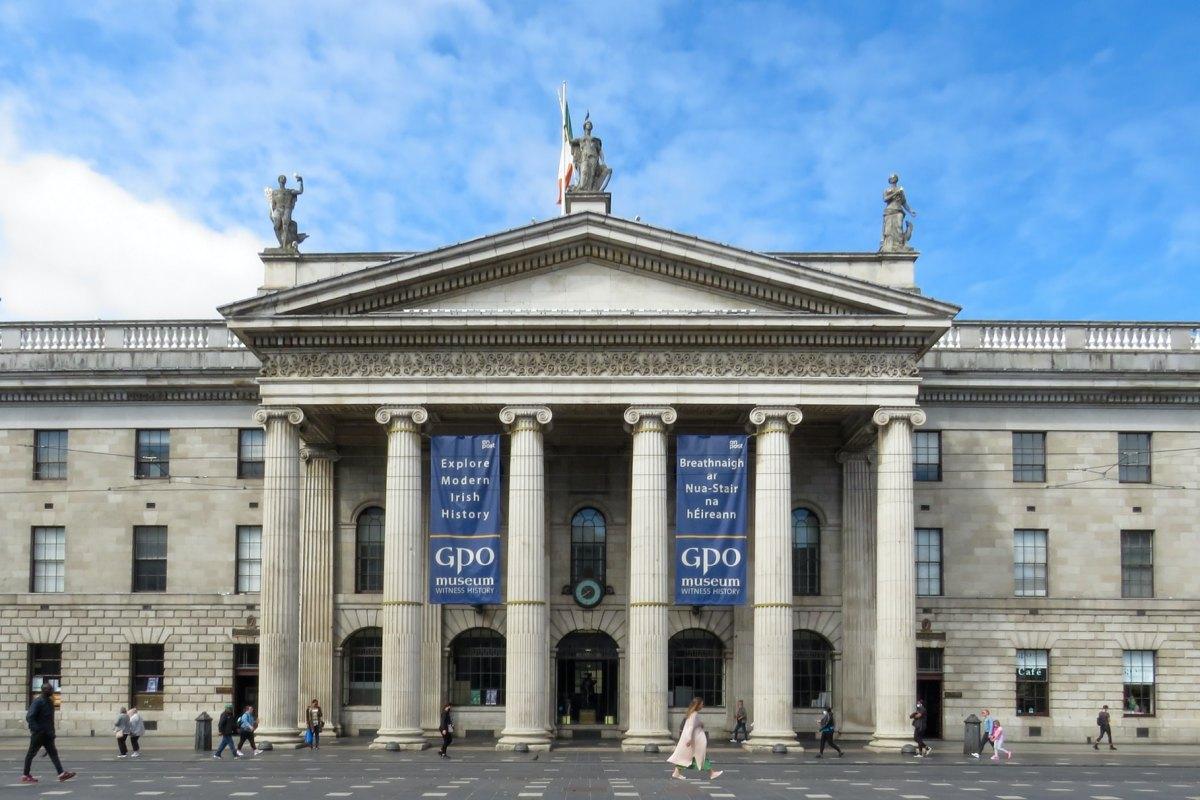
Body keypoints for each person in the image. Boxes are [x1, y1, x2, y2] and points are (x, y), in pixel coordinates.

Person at [20, 683, 76, 784]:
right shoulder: (38, 702)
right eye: (50, 689)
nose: (52, 691)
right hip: (39, 734)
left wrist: (52, 733)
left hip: (48, 734)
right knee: (31, 754)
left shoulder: (49, 702)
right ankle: (25, 775)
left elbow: (50, 720)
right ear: (44, 690)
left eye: (52, 689)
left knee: (53, 754)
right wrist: (37, 729)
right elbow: (30, 717)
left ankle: (61, 774)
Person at [667, 697, 723, 782]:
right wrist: (689, 739)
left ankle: (677, 772)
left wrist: (700, 724)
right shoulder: (694, 714)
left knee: (687, 757)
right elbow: (690, 727)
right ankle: (712, 773)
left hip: (694, 740)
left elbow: (692, 725)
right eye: (702, 704)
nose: (703, 705)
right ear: (697, 705)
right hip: (695, 741)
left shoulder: (692, 713)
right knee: (699, 756)